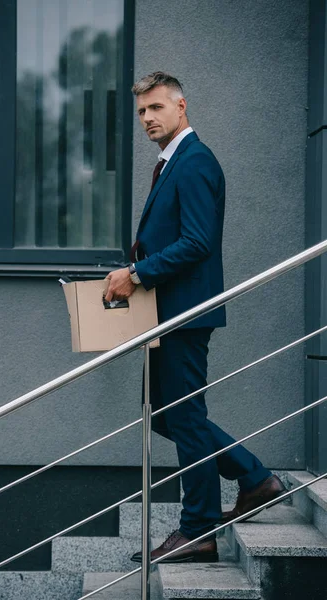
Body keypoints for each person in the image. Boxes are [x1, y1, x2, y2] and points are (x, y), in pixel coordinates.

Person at [105, 72, 286, 564]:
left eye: (157, 108)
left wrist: (138, 272)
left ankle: (199, 528)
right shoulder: (172, 163)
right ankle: (253, 476)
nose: (148, 118)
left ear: (181, 106)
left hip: (186, 315)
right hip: (167, 316)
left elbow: (197, 241)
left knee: (183, 416)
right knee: (170, 415)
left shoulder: (195, 160)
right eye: (142, 111)